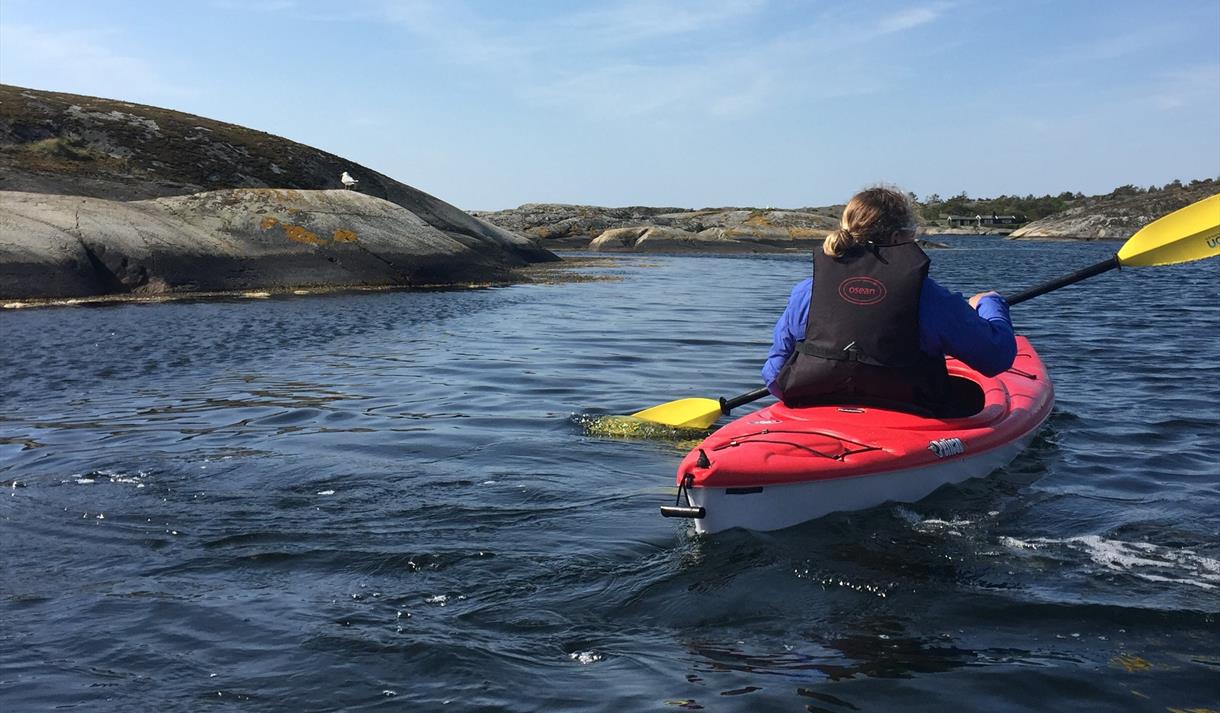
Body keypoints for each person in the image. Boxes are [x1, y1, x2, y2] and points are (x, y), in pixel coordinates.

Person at [762, 186, 1016, 416]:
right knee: (969, 395)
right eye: (912, 234)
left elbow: (774, 375)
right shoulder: (928, 296)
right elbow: (997, 358)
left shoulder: (806, 292)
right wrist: (990, 303)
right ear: (896, 238)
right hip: (909, 411)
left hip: (818, 409)